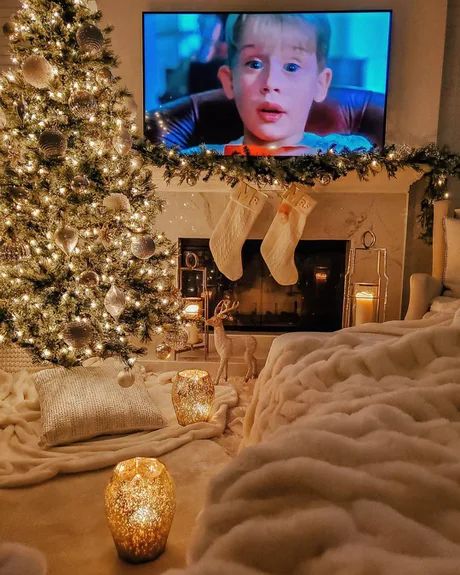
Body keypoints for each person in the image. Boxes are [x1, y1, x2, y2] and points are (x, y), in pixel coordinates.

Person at [183, 13, 372, 156]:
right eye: (254, 64)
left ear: (320, 83)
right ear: (229, 80)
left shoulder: (352, 155)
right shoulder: (196, 163)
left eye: (291, 67)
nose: (271, 83)